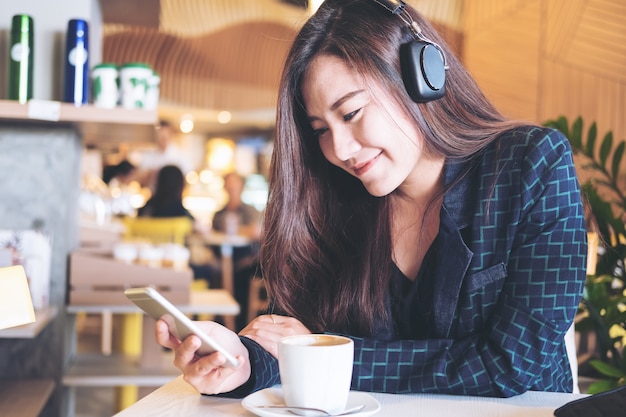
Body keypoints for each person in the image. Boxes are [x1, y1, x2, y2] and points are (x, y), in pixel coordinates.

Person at [155, 0, 587, 399]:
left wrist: (321, 356)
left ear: (420, 78)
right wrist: (242, 361)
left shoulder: (531, 165)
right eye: (321, 129)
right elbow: (287, 337)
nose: (339, 149)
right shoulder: (334, 201)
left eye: (351, 113)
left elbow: (513, 364)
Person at [211, 172, 263, 330]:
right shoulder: (218, 214)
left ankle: (238, 325)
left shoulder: (250, 211)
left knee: (239, 276)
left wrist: (239, 230)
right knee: (216, 275)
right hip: (224, 260)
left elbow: (257, 232)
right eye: (228, 183)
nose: (231, 187)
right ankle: (222, 323)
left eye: (234, 183)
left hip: (247, 259)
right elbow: (213, 238)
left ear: (241, 186)